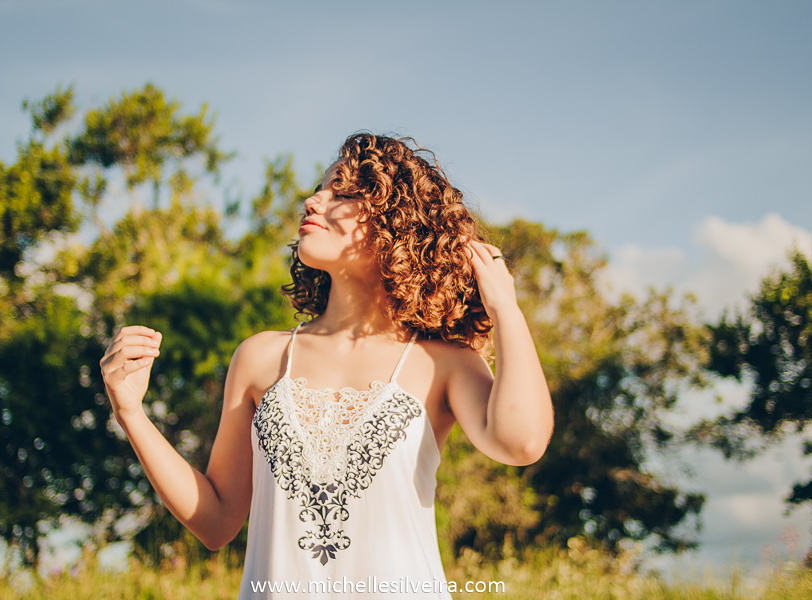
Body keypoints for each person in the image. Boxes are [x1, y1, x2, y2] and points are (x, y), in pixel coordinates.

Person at [100, 133, 554, 598]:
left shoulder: (445, 363)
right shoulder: (260, 357)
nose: (313, 199)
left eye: (343, 191)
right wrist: (131, 412)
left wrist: (506, 311)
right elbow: (216, 522)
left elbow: (521, 444)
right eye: (321, 188)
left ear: (396, 222)